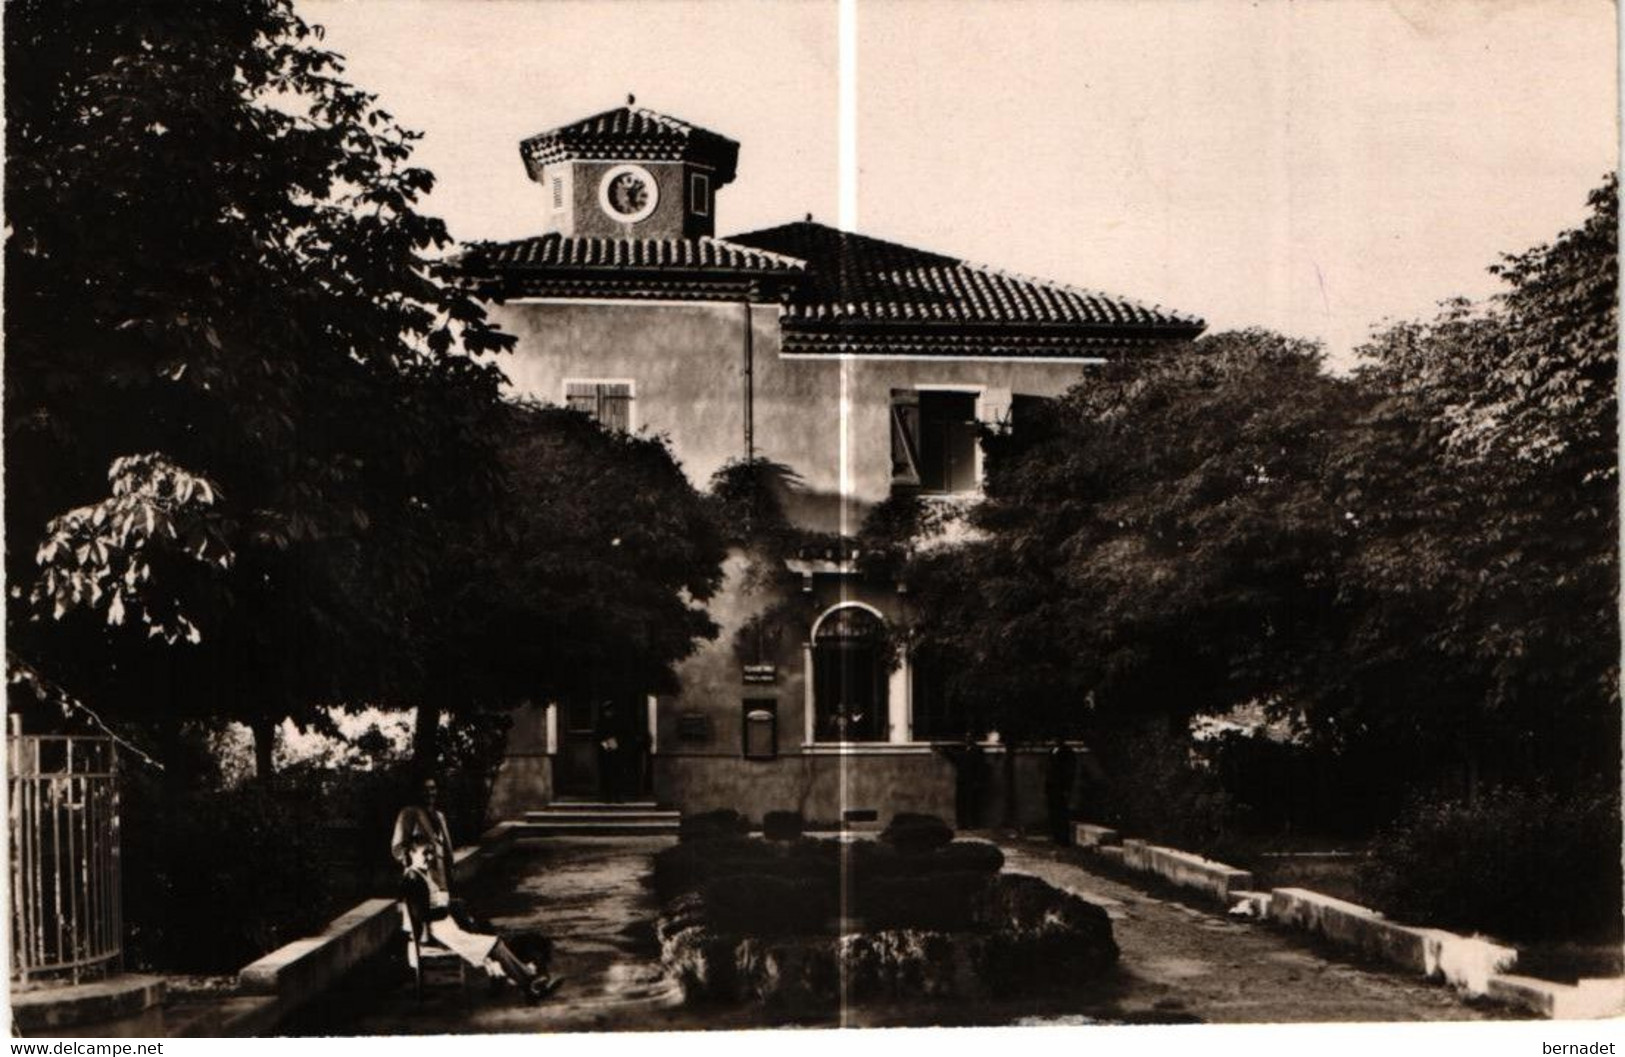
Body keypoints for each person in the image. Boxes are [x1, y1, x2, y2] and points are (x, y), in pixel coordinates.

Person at [399, 838, 559, 1002]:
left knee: (490, 937)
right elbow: (421, 914)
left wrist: (448, 906)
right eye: (424, 853)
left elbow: (432, 905)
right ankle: (529, 984)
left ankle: (528, 983)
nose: (429, 857)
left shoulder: (421, 874)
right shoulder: (413, 879)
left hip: (445, 927)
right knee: (495, 944)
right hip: (439, 934)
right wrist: (444, 909)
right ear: (412, 853)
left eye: (431, 852)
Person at [391, 777, 456, 895]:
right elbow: (398, 846)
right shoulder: (409, 813)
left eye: (432, 789)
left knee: (441, 907)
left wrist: (450, 868)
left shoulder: (439, 816)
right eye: (425, 789)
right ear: (418, 792)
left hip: (441, 875)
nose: (430, 793)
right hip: (420, 874)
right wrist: (411, 862)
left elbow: (445, 846)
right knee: (421, 909)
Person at [1045, 737, 1079, 844]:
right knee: (1053, 812)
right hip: (1052, 787)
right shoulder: (1052, 751)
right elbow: (1049, 769)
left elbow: (1070, 771)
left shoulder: (1068, 752)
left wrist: (1067, 788)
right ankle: (1055, 836)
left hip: (1061, 787)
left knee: (1062, 813)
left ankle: (1063, 838)